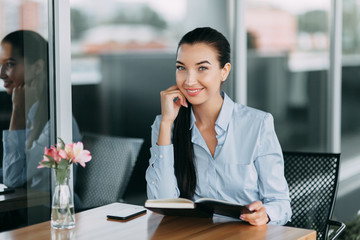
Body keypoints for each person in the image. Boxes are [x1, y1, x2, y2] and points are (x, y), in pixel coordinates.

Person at [145, 27, 291, 226]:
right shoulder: (165, 125)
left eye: (202, 68)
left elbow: (281, 204)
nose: (189, 80)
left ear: (224, 71)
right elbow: (162, 205)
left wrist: (265, 214)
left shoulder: (257, 124)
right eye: (181, 68)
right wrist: (166, 124)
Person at [0, 30, 81, 192]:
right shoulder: (34, 113)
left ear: (37, 67)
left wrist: (18, 110)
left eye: (9, 64)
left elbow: (13, 178)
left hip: (52, 212)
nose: (2, 74)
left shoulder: (55, 122)